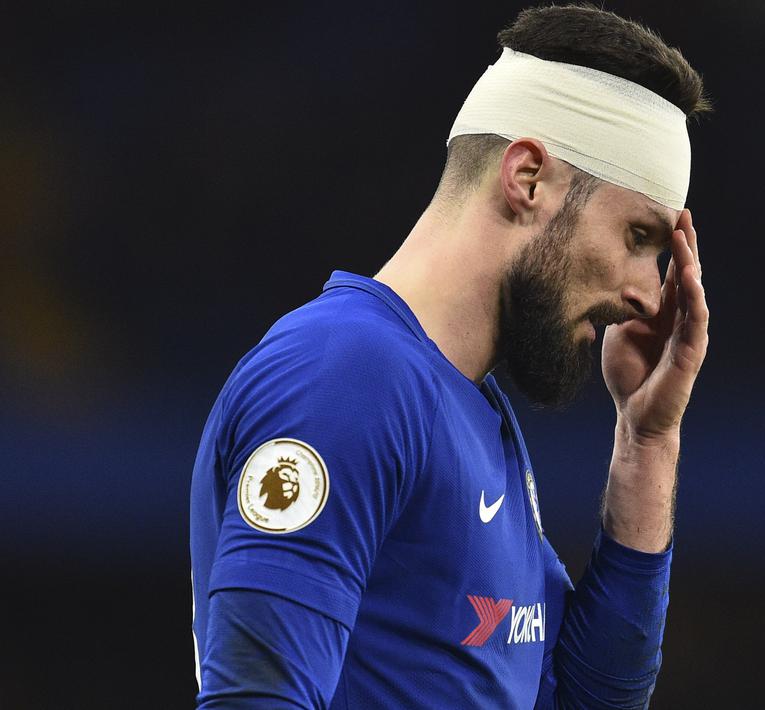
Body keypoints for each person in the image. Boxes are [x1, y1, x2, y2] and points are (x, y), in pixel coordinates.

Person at [190, 5, 710, 708]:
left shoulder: (467, 411)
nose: (650, 296)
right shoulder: (346, 374)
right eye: (638, 236)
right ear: (526, 178)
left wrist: (647, 442)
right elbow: (258, 697)